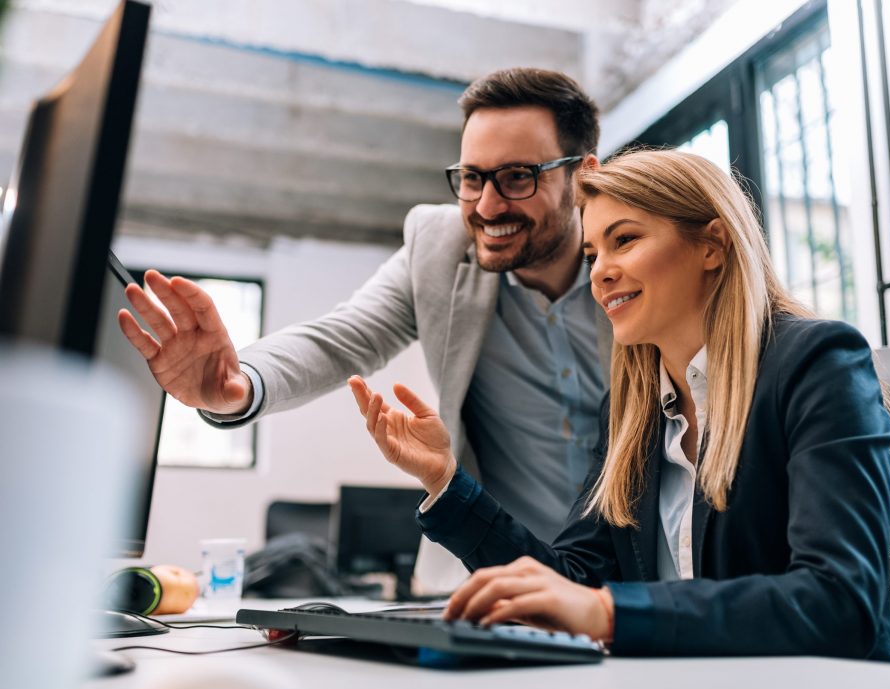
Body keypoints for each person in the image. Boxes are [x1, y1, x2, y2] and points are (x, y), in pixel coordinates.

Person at [348, 149, 890, 660]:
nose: (600, 272)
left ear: (712, 245)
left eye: (626, 240)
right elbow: (571, 582)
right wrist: (446, 482)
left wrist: (609, 614)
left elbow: (840, 601)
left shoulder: (818, 364)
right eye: (593, 252)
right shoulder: (630, 411)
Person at [116, 68, 612, 589]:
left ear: (582, 175)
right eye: (471, 178)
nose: (487, 206)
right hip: (495, 576)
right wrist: (239, 383)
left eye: (517, 177)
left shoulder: (638, 260)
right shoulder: (440, 248)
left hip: (636, 576)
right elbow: (342, 337)